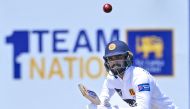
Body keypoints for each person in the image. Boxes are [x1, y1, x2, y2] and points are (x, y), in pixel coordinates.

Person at [87, 40, 177, 109]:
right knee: (91, 107)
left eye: (118, 57)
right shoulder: (111, 79)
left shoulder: (140, 77)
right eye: (111, 59)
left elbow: (143, 108)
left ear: (127, 58)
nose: (114, 62)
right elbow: (102, 102)